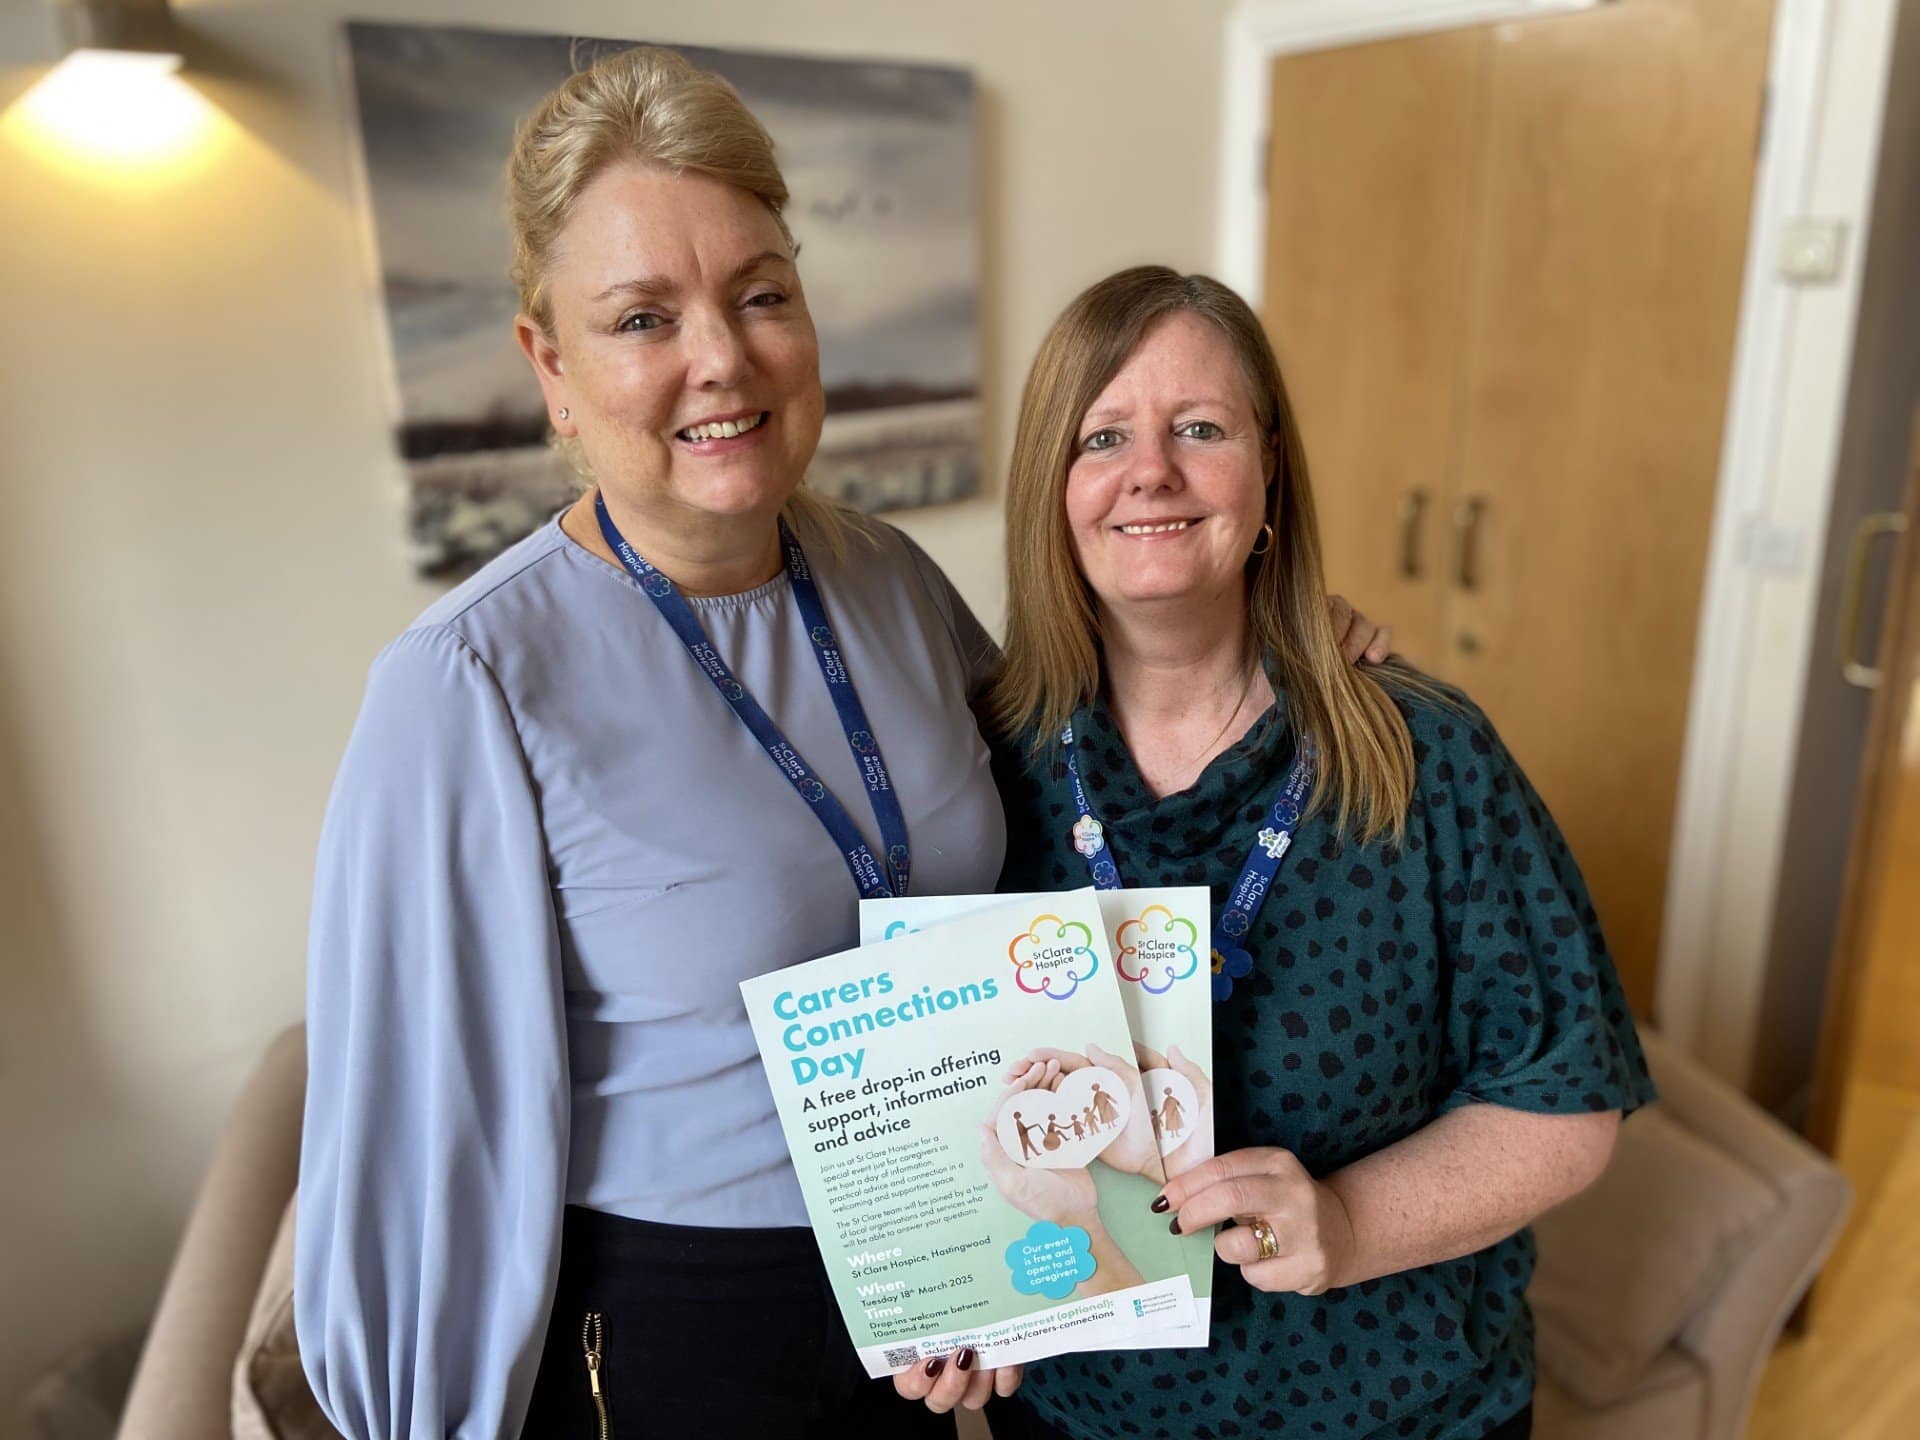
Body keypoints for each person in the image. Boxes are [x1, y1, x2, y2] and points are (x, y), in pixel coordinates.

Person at [294, 46, 1390, 1439]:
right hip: (678, 1326)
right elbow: (409, 1138)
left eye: (763, 295)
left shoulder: (881, 577)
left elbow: (1088, 755)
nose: (721, 359)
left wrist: (1277, 636)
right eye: (642, 318)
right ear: (549, 367)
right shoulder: (467, 685)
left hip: (941, 1271)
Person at [892, 267, 1656, 1437]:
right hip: (1088, 1419)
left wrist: (1350, 1222)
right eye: (1104, 436)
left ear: (1270, 470)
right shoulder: (978, 773)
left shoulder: (1421, 757)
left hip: (1400, 1413)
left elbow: (1564, 1103)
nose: (1152, 470)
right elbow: (941, 1103)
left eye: (1200, 428)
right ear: (1052, 485)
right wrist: (953, 1299)